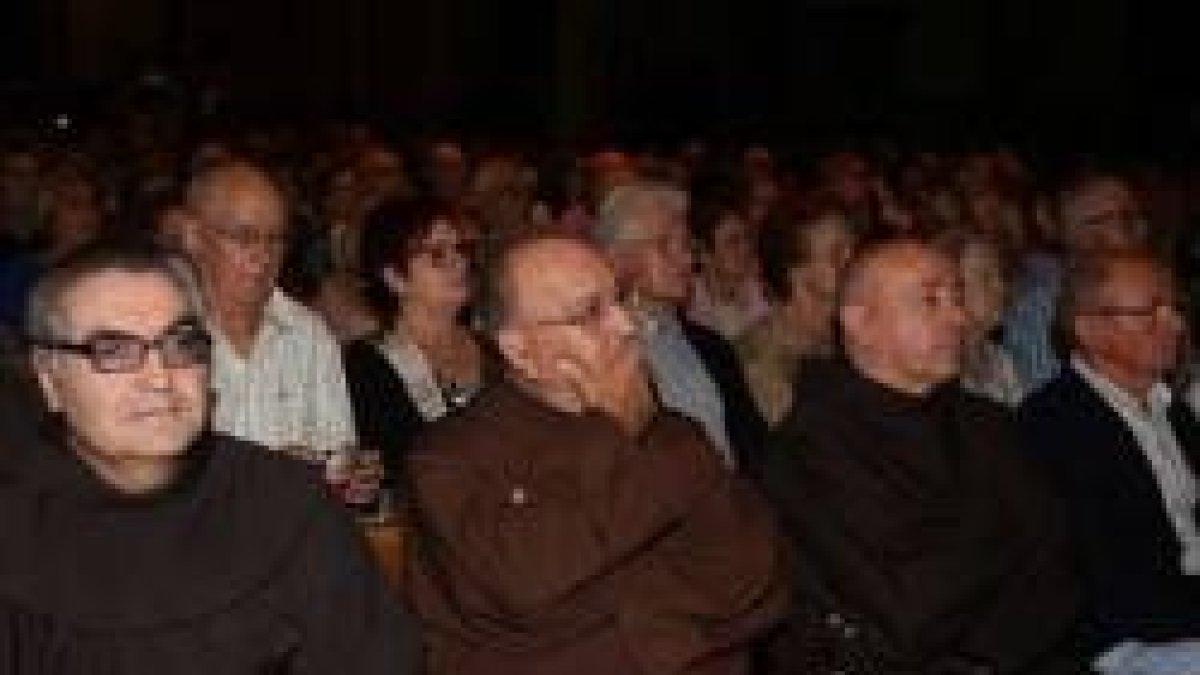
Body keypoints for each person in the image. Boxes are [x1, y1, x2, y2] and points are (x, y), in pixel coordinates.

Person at [0, 238, 418, 673]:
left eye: (181, 345)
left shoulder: (282, 499)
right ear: (50, 379)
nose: (160, 377)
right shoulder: (14, 527)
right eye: (114, 352)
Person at [405, 235, 788, 675]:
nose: (626, 325)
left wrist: (606, 605)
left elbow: (759, 578)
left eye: (621, 301)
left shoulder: (672, 434)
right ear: (519, 350)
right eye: (591, 313)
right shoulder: (451, 458)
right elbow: (526, 582)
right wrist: (611, 427)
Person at [764, 238, 1083, 674]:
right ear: (859, 322)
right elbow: (905, 612)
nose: (958, 317)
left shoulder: (988, 424)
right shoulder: (809, 450)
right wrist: (1003, 539)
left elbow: (1059, 566)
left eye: (957, 298)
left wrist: (990, 651)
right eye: (930, 300)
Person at [1019, 253, 1200, 674]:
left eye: (1174, 308)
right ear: (1089, 330)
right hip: (1125, 641)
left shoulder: (1170, 408)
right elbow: (1113, 590)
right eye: (1150, 312)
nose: (1175, 324)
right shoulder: (1055, 426)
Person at [181, 159, 357, 457]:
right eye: (245, 237)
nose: (263, 255)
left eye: (275, 239)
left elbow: (339, 454)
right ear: (194, 237)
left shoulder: (308, 334)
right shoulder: (163, 333)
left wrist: (346, 476)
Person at [596, 181, 766, 471]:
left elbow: (755, 450)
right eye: (664, 245)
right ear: (618, 258)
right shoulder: (602, 352)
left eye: (686, 244)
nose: (685, 258)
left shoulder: (711, 346)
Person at [343, 197, 491, 491]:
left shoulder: (494, 350)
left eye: (461, 249)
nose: (459, 262)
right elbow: (368, 475)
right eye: (437, 254)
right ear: (396, 278)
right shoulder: (365, 366)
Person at [737, 205, 856, 425]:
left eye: (854, 250)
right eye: (836, 256)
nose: (855, 263)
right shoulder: (758, 356)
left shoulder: (851, 335)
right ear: (795, 271)